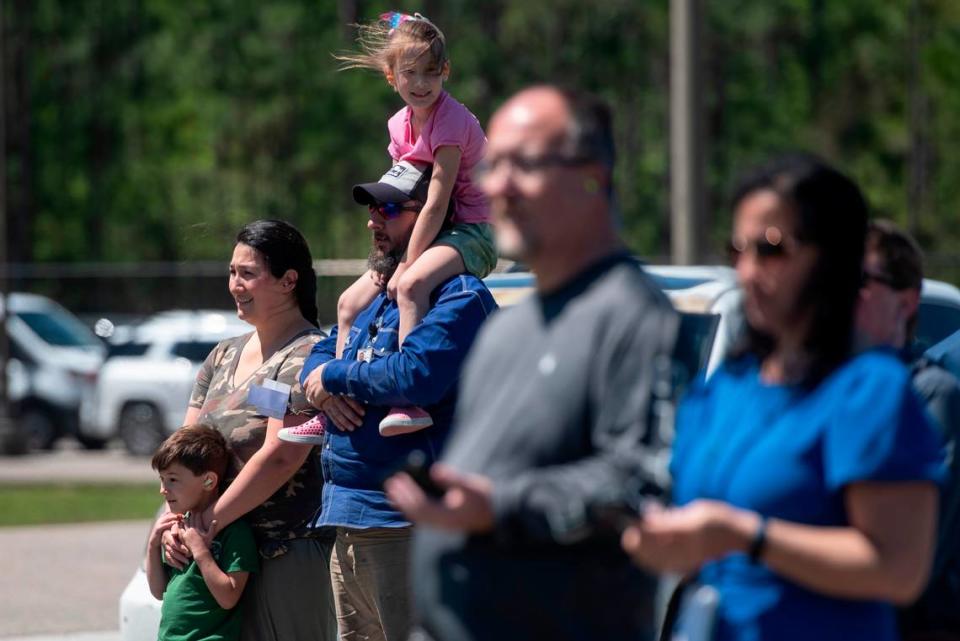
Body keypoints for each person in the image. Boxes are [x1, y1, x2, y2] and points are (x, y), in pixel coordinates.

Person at [385, 86, 679, 641]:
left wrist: (501, 506)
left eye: (526, 164)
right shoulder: (509, 328)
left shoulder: (634, 318)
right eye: (495, 165)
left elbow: (641, 483)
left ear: (594, 176)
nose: (498, 184)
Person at [622, 154, 944, 641]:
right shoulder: (727, 387)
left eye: (772, 249)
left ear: (831, 257)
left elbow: (899, 569)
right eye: (738, 250)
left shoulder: (869, 390)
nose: (749, 272)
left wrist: (747, 537)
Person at [283, 161, 496, 641]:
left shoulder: (457, 297)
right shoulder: (382, 291)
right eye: (374, 208)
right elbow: (325, 346)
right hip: (347, 514)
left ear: (434, 218)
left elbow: (414, 375)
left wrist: (337, 376)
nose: (374, 220)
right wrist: (324, 380)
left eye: (393, 209)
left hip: (408, 523)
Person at [162, 219, 336, 641]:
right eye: (231, 272)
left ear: (288, 281)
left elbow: (280, 455)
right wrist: (173, 523)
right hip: (216, 558)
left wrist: (207, 524)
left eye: (248, 273)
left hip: (281, 554)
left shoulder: (306, 355)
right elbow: (181, 452)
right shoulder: (223, 355)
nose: (235, 284)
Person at [331, 10, 497, 434]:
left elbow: (437, 201)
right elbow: (401, 192)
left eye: (430, 73)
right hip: (433, 229)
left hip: (470, 230)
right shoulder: (397, 125)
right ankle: (338, 395)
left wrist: (406, 264)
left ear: (446, 72)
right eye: (410, 73)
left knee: (409, 285)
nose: (421, 84)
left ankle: (409, 399)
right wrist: (389, 239)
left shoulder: (452, 121)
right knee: (349, 304)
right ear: (392, 76)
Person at [856, 219, 960, 640]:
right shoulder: (817, 389)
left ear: (907, 300)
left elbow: (914, 558)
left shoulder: (930, 393)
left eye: (860, 279)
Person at [146, 424, 259, 641]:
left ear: (208, 480)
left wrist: (200, 551)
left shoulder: (235, 531)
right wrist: (153, 545)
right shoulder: (178, 526)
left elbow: (228, 597)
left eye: (172, 479)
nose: (163, 489)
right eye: (162, 480)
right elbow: (158, 591)